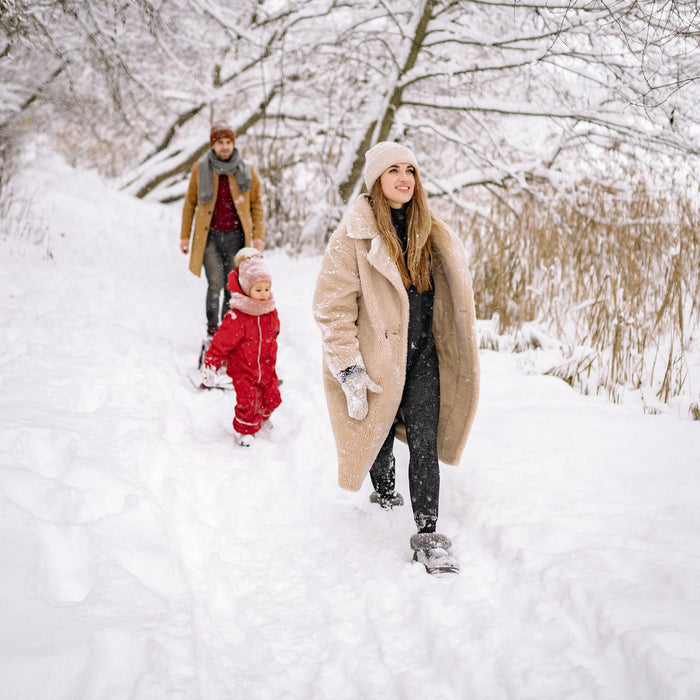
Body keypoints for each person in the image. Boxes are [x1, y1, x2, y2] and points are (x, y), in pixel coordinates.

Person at [312, 141, 480, 573]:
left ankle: (428, 534)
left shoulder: (432, 231)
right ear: (376, 180)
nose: (404, 178)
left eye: (410, 170)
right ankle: (384, 490)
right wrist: (349, 368)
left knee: (423, 440)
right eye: (393, 171)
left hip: (423, 356)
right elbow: (331, 308)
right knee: (380, 436)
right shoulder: (351, 236)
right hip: (378, 359)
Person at [180, 120, 265, 337]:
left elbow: (256, 205)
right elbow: (190, 203)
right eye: (220, 143)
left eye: (228, 142)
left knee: (232, 287)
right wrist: (184, 237)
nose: (224, 146)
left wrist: (258, 237)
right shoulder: (200, 170)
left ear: (233, 143)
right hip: (210, 238)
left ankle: (226, 331)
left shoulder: (247, 170)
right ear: (213, 146)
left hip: (237, 238)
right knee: (215, 283)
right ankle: (212, 329)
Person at [203, 257, 281, 447]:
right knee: (248, 401)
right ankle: (245, 431)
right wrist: (211, 365)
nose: (264, 294)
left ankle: (261, 417)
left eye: (266, 289)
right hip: (243, 370)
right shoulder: (238, 317)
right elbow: (221, 344)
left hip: (266, 367)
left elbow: (275, 330)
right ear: (247, 289)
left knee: (271, 398)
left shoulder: (269, 310)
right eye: (258, 290)